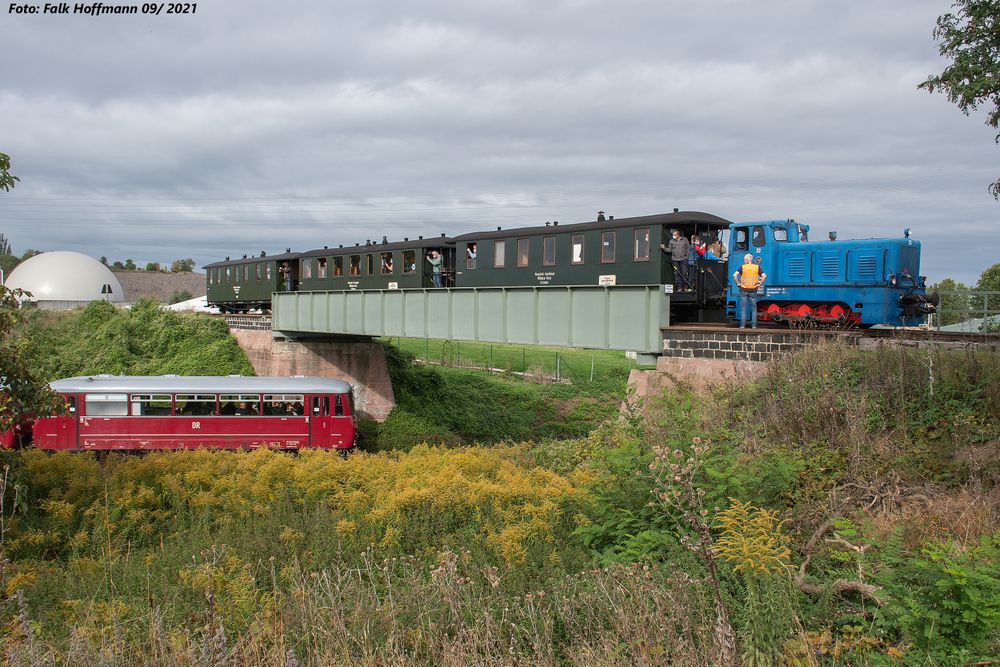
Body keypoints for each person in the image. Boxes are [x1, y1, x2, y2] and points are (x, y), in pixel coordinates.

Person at [733, 253, 766, 329]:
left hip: (743, 290)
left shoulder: (743, 267)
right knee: (754, 309)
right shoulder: (757, 267)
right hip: (753, 290)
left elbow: (734, 275)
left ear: (748, 260)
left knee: (743, 308)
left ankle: (742, 326)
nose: (744, 261)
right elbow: (764, 276)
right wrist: (760, 284)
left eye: (745, 259)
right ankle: (754, 326)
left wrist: (738, 283)